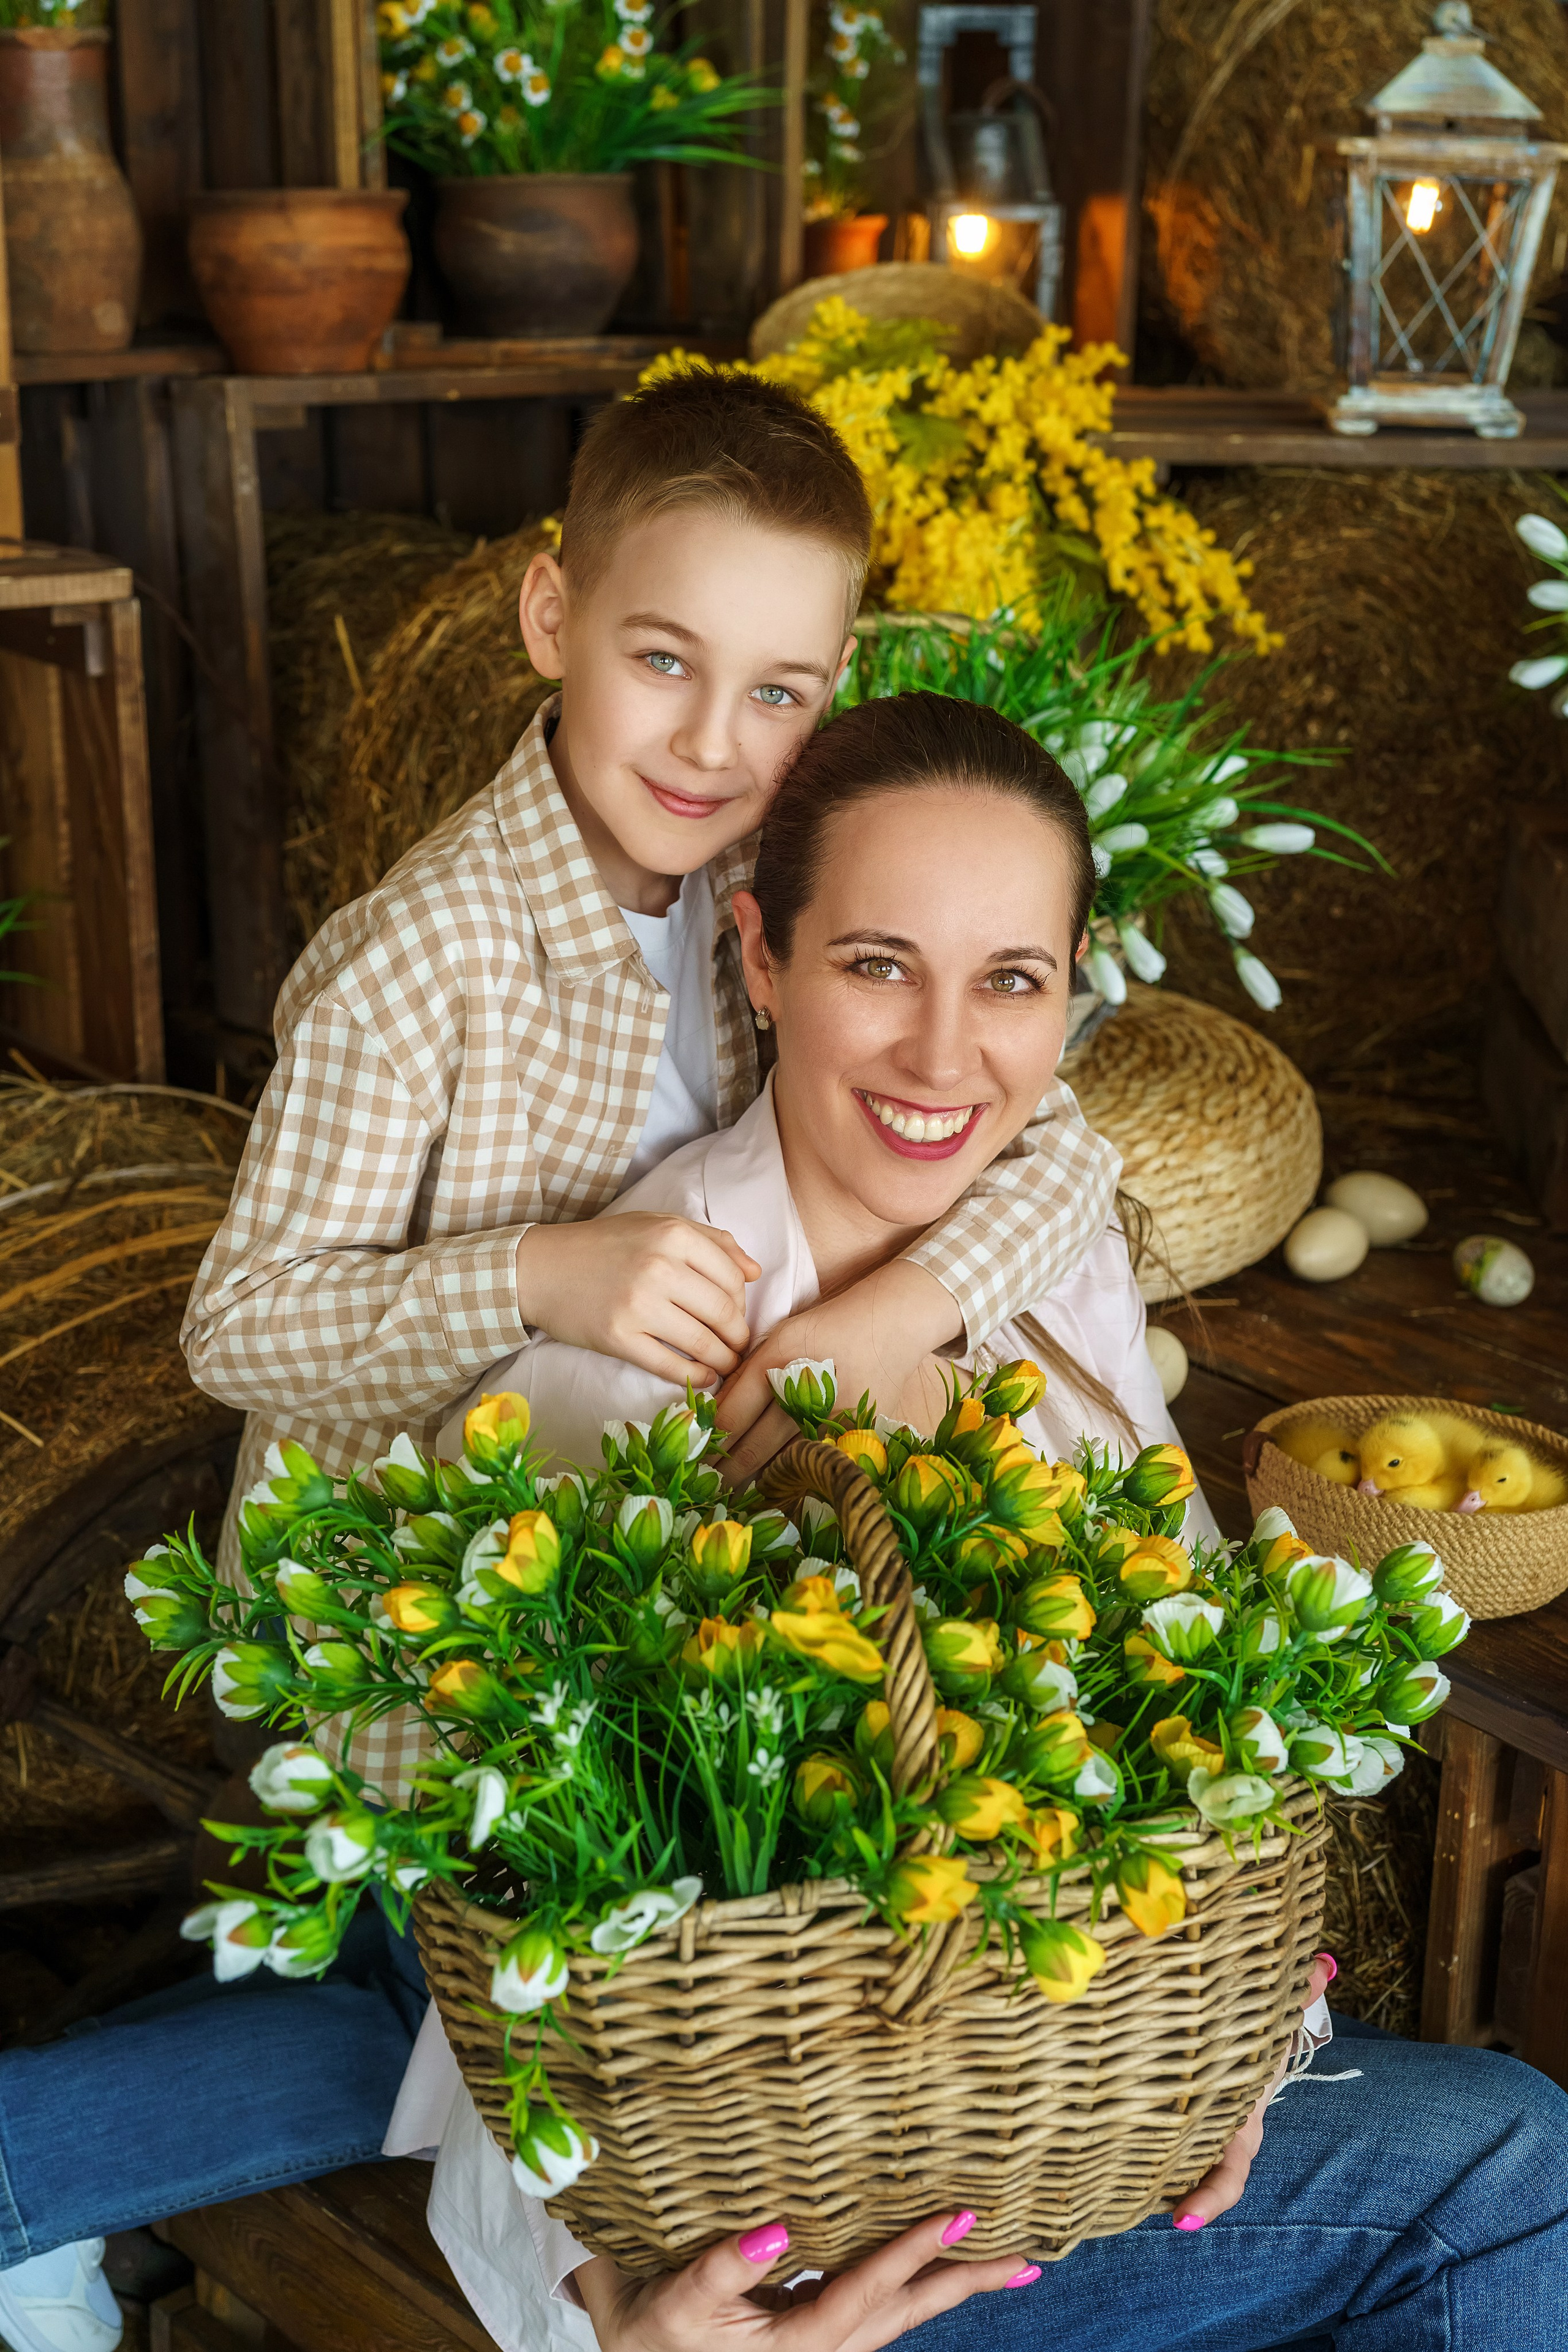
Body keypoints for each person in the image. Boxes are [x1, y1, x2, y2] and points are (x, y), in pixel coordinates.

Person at [2, 696, 1564, 2352]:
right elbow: (520, 1940)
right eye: (878, 966)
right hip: (807, 2237)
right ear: (760, 960)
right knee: (1515, 2168)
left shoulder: (1046, 1238)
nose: (947, 1057)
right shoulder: (628, 1374)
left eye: (1011, 982)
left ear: (1073, 994)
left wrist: (1242, 2044)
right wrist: (613, 2312)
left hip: (1070, 2094)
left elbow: (1196, 1710)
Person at [179, 367, 1120, 1814]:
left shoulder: (761, 881)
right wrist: (533, 1277)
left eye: (776, 692)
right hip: (392, 1652)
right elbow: (236, 1332)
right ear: (553, 618)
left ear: (834, 679)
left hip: (651, 1560)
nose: (709, 744)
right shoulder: (422, 961)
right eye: (663, 661)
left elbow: (1057, 1147)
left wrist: (896, 1314)